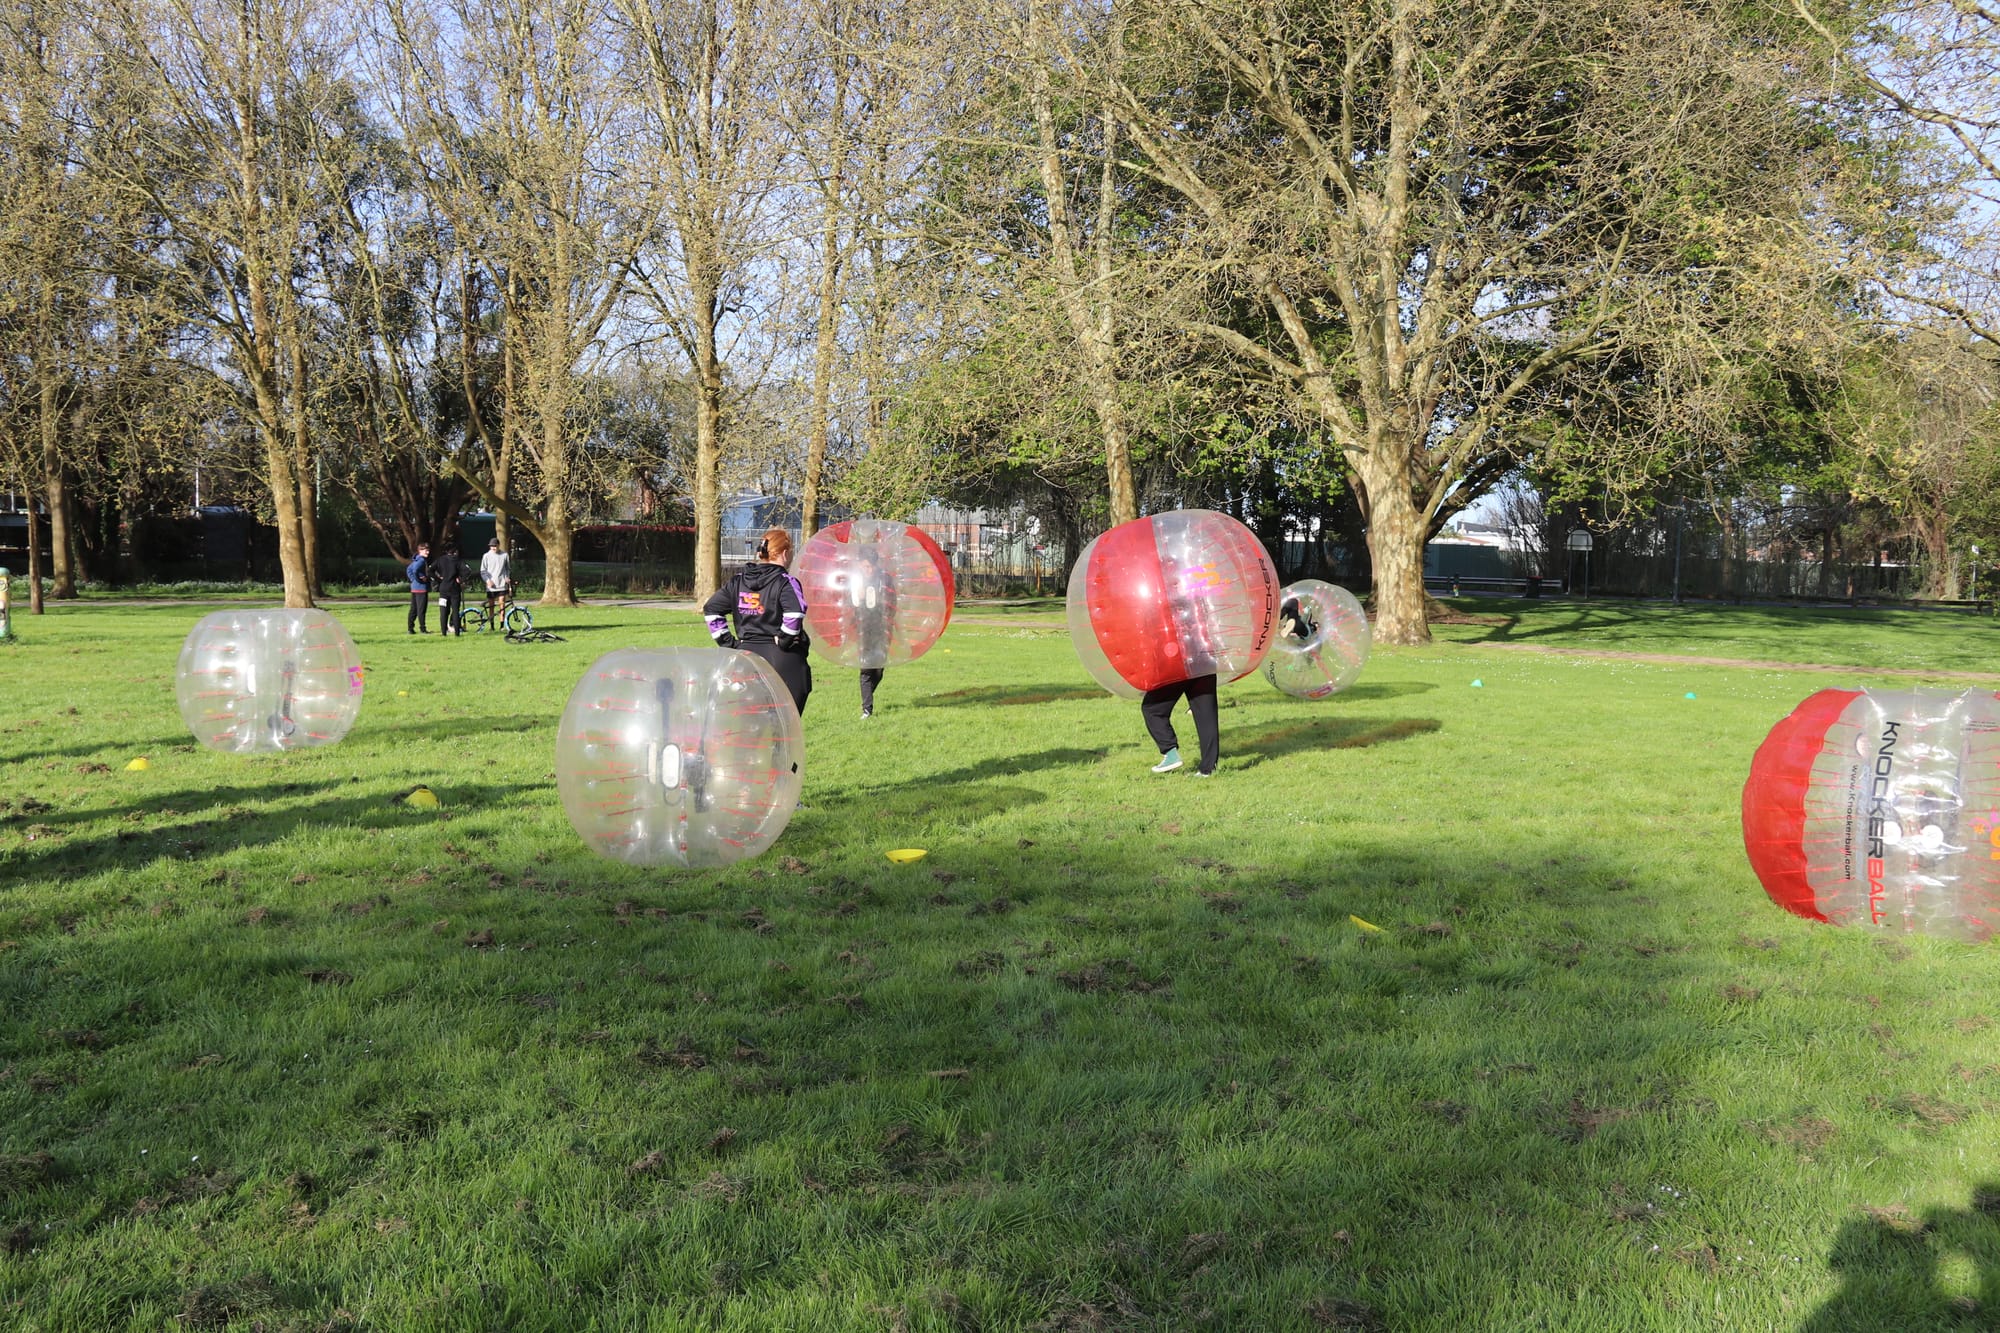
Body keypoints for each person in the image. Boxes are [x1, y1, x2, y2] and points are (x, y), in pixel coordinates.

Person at [702, 527, 811, 716]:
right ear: (785, 553)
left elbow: (711, 610)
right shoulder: (785, 581)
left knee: (753, 729)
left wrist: (730, 644)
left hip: (746, 660)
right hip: (782, 660)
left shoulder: (738, 581)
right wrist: (785, 639)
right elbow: (795, 612)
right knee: (785, 732)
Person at [1143, 673, 1219, 777]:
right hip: (1205, 664)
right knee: (1206, 715)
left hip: (1177, 664)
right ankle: (1208, 769)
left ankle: (1170, 753)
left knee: (1152, 710)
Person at [852, 548, 892, 719]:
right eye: (864, 567)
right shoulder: (856, 581)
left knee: (879, 669)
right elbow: (847, 603)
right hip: (863, 628)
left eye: (869, 567)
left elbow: (893, 601)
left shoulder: (885, 580)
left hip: (881, 627)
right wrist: (857, 599)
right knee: (866, 668)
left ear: (876, 566)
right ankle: (867, 709)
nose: (867, 570)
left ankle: (868, 694)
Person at [430, 542, 466, 637]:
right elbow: (467, 571)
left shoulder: (440, 560)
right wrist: (461, 580)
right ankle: (457, 632)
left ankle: (443, 632)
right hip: (454, 588)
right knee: (455, 611)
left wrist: (438, 579)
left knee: (443, 611)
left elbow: (429, 570)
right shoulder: (457, 560)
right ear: (455, 551)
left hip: (443, 588)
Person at [479, 538, 512, 622]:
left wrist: (507, 577)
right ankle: (492, 625)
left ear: (498, 545)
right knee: (491, 606)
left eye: (495, 546)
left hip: (501, 584)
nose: (493, 548)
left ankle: (502, 624)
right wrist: (488, 581)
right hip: (491, 586)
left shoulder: (504, 555)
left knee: (502, 605)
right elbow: (483, 571)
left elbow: (507, 568)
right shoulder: (486, 556)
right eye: (491, 546)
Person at [405, 542, 432, 634]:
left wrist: (413, 580)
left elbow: (409, 569)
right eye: (425, 550)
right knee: (421, 609)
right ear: (420, 551)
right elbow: (415, 570)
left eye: (428, 550)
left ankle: (410, 628)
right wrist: (419, 579)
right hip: (421, 588)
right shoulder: (421, 560)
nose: (427, 552)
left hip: (414, 588)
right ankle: (422, 629)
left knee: (414, 609)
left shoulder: (416, 560)